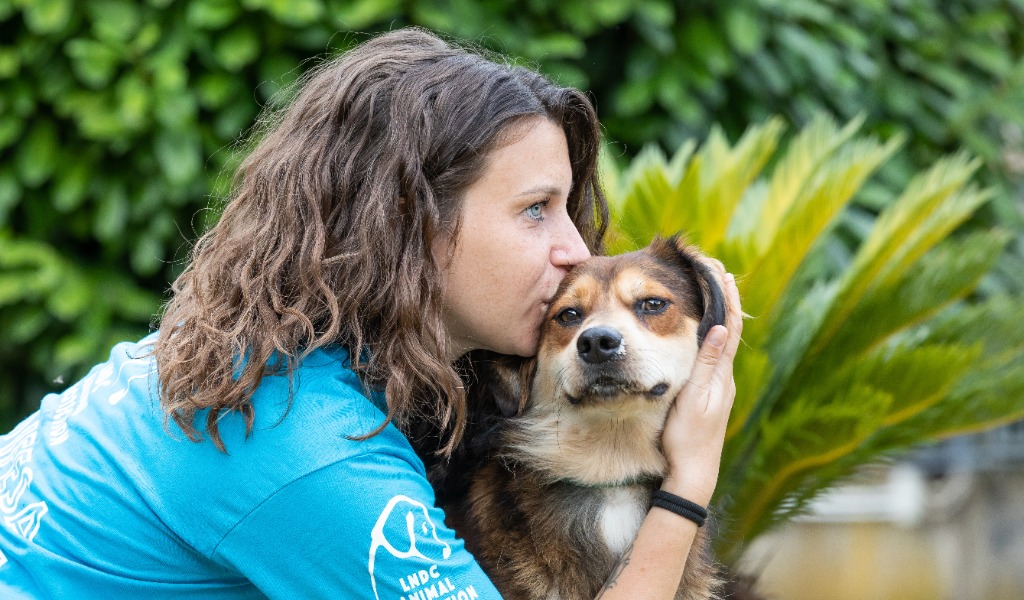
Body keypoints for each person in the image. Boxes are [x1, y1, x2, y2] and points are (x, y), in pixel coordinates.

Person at [0, 27, 742, 599]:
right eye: (535, 211)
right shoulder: (308, 444)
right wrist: (688, 480)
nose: (574, 247)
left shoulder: (268, 351)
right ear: (408, 221)